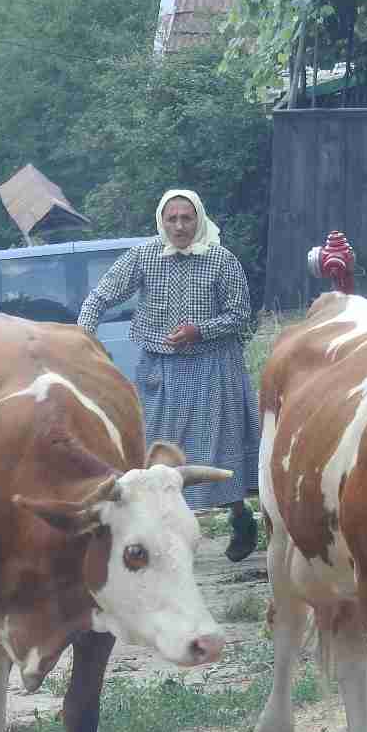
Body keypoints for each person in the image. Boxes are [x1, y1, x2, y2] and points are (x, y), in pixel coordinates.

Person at [77, 189, 260, 562]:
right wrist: (83, 340)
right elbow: (99, 298)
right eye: (172, 219)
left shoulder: (221, 260)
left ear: (199, 220)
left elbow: (242, 316)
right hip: (159, 371)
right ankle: (165, 535)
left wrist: (201, 330)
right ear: (161, 221)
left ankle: (240, 517)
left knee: (218, 449)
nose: (179, 226)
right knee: (158, 452)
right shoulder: (143, 256)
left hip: (212, 367)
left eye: (186, 218)